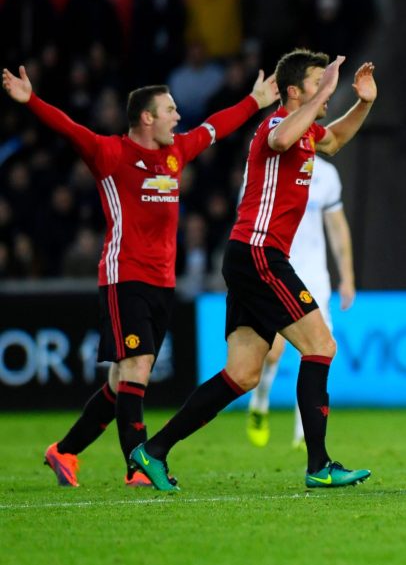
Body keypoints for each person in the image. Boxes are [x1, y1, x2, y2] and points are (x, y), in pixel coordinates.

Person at [2, 63, 278, 487]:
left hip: (163, 283)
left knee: (120, 381)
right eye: (169, 110)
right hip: (124, 276)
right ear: (146, 117)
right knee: (138, 366)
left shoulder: (175, 152)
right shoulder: (111, 154)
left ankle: (65, 451)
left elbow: (213, 128)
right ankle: (139, 466)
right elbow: (70, 128)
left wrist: (254, 102)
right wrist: (32, 100)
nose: (177, 116)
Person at [129, 50, 377, 491]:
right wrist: (324, 92)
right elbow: (281, 139)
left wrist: (363, 103)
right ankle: (319, 464)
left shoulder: (306, 135)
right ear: (294, 92)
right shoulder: (273, 126)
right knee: (321, 345)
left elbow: (334, 140)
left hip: (249, 256)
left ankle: (153, 451)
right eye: (318, 85)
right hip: (260, 253)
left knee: (242, 374)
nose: (326, 95)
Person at [246, 155, 356, 449]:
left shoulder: (326, 173)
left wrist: (347, 276)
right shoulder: (265, 164)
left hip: (315, 277)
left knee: (318, 351)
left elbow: (337, 227)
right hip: (275, 268)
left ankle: (304, 432)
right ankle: (259, 400)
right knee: (272, 353)